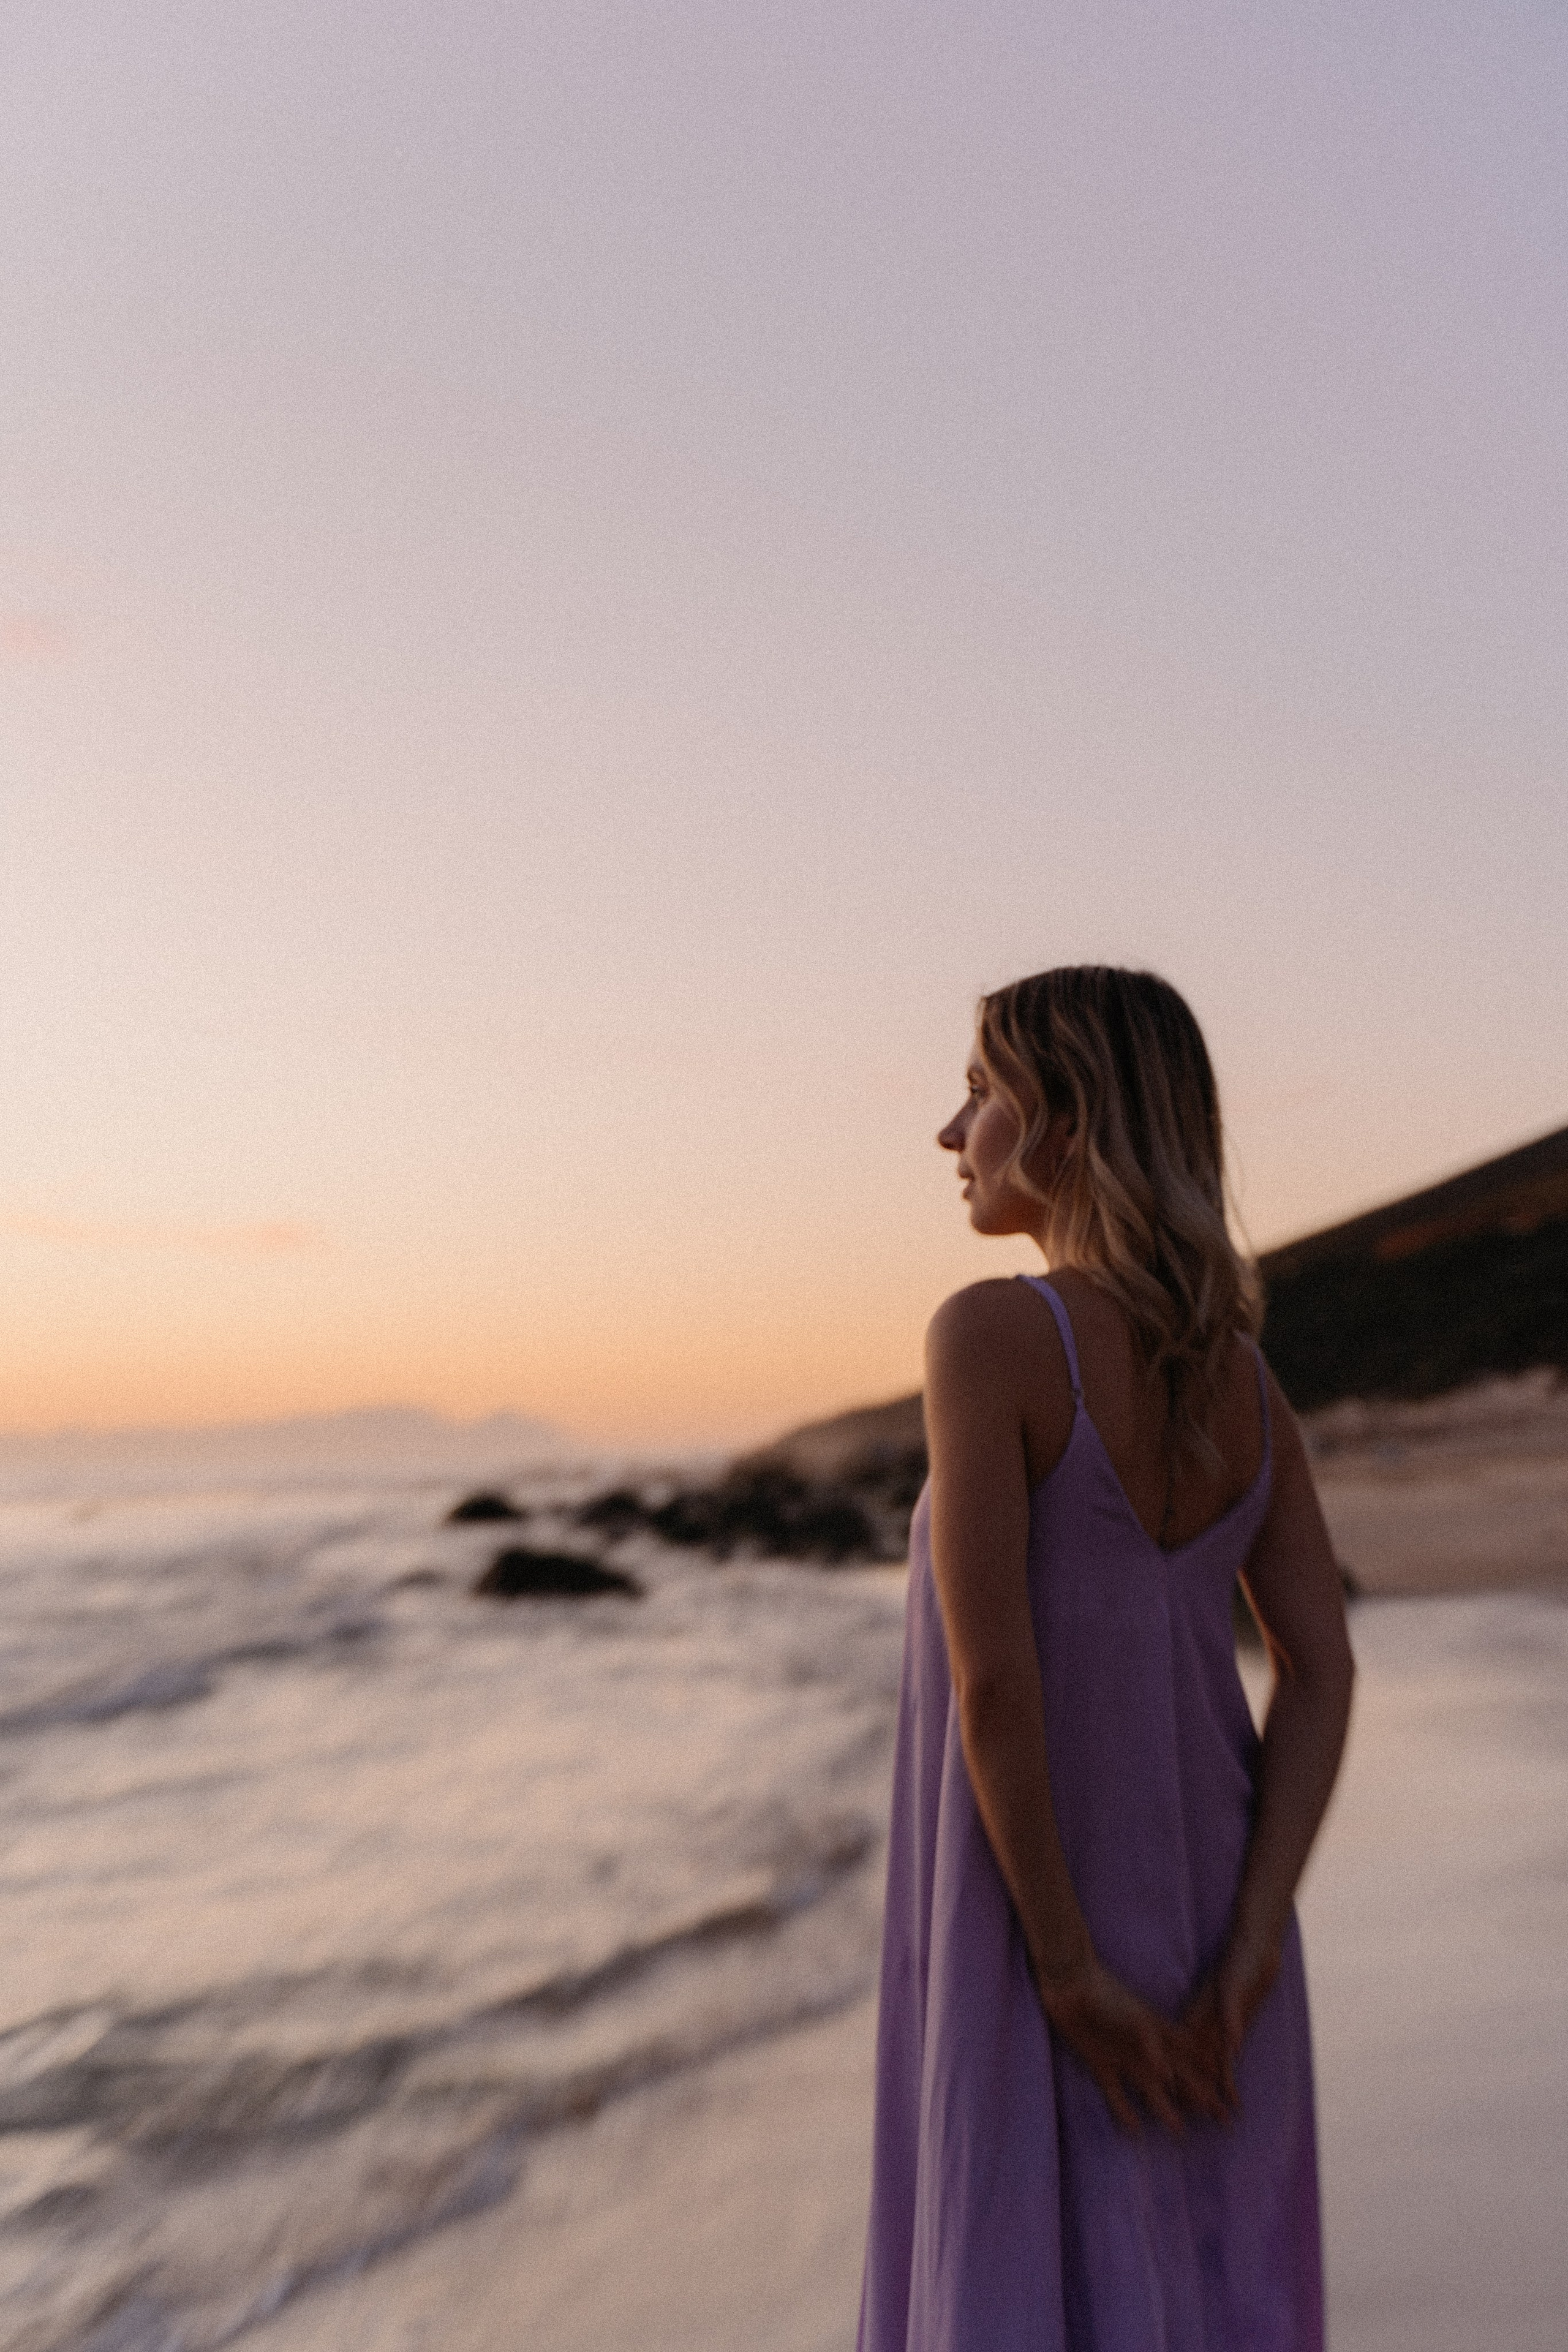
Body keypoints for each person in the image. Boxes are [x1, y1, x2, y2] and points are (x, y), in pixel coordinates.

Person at [858, 965, 1354, 2352]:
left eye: (980, 1093)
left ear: (1065, 1124)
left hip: (1035, 1919)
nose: (952, 1135)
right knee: (1204, 2295)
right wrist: (1250, 1952)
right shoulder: (1245, 1387)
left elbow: (993, 1685)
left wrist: (1065, 1971)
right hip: (1215, 1936)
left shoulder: (991, 1336)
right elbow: (1318, 1672)